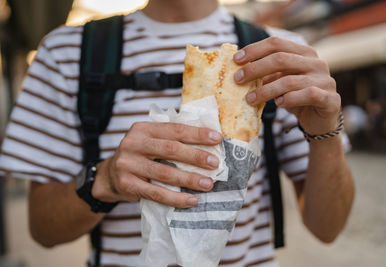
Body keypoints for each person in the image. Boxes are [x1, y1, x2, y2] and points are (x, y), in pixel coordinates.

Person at [0, 0, 354, 266]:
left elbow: (327, 228)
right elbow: (43, 229)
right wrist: (105, 179)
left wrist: (326, 134)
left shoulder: (282, 55)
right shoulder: (66, 53)